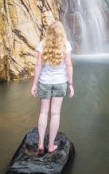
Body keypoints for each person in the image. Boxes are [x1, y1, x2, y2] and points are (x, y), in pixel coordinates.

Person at [30, 21, 74, 154]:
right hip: (60, 82)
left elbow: (38, 66)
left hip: (45, 82)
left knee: (43, 112)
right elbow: (69, 65)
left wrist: (34, 84)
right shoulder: (65, 45)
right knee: (55, 113)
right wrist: (71, 85)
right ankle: (50, 146)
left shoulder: (42, 44)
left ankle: (41, 144)